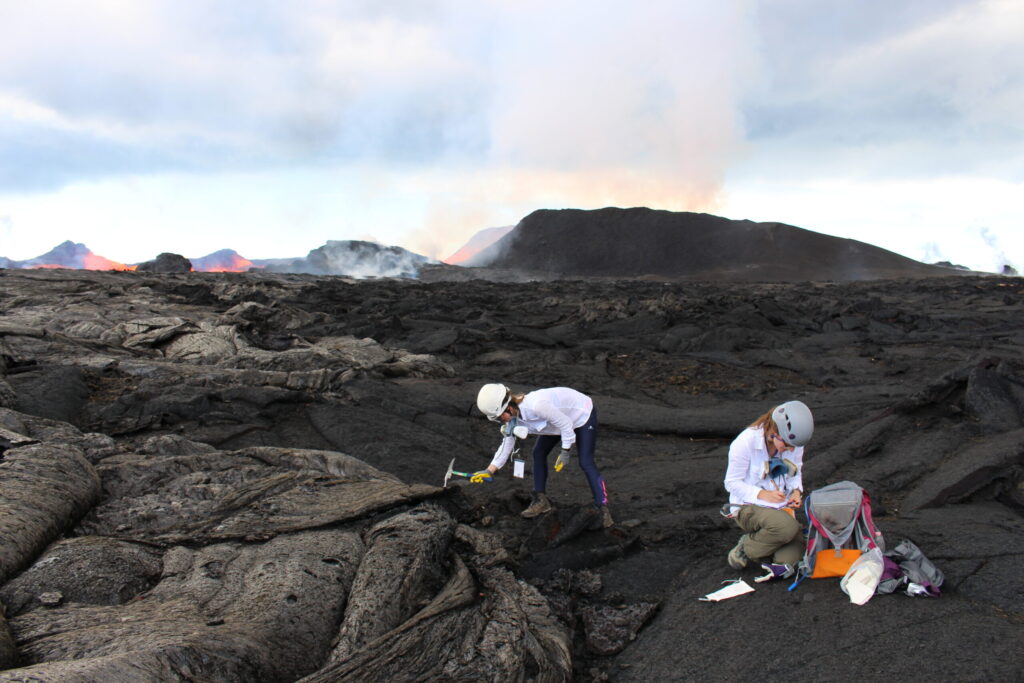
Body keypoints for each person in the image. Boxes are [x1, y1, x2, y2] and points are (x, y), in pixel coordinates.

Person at [472, 383, 612, 527]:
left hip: (581, 414)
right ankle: (541, 500)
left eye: (500, 418)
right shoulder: (513, 417)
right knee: (538, 453)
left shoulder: (536, 407)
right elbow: (507, 443)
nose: (501, 421)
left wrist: (565, 451)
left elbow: (565, 424)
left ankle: (603, 508)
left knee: (586, 461)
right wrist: (490, 470)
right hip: (555, 421)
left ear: (508, 407)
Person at [722, 400, 813, 580]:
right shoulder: (744, 443)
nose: (790, 450)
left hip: (780, 509)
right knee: (787, 528)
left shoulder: (794, 442)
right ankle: (746, 548)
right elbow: (731, 483)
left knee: (793, 551)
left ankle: (768, 549)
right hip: (747, 507)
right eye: (786, 445)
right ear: (774, 432)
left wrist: (796, 492)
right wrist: (763, 494)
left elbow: (796, 471)